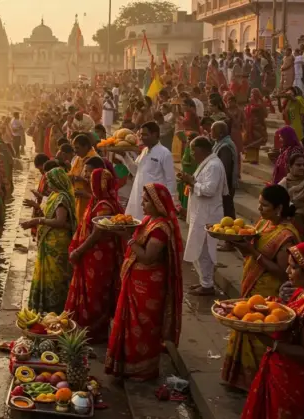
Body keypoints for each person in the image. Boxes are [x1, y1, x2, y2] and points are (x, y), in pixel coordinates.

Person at [240, 242, 304, 419]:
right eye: (288, 265)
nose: (287, 271)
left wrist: (272, 343)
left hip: (294, 381)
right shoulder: (301, 293)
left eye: (294, 268)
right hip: (279, 370)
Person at [222, 184, 300, 390]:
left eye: (264, 206)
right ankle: (239, 379)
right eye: (259, 204)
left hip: (268, 293)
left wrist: (252, 253)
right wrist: (242, 246)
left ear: (279, 208)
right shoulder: (264, 223)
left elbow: (283, 272)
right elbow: (252, 252)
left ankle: (257, 382)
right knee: (244, 325)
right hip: (252, 285)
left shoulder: (286, 235)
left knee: (257, 333)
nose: (259, 209)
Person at [106, 183, 183, 380]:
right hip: (136, 281)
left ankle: (142, 369)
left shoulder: (161, 228)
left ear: (158, 204)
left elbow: (148, 257)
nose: (142, 204)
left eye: (146, 201)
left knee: (144, 327)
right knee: (130, 325)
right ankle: (126, 365)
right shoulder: (149, 220)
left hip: (149, 287)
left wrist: (128, 239)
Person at [65, 168, 121, 342]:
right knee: (91, 292)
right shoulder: (98, 200)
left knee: (95, 293)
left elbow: (98, 233)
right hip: (95, 255)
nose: (88, 182)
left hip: (99, 257)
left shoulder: (104, 206)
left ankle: (94, 332)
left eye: (91, 180)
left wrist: (78, 250)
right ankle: (89, 330)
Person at [21, 168, 76, 313]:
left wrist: (38, 220)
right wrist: (37, 208)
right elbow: (48, 214)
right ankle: (44, 305)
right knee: (48, 275)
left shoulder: (62, 198)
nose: (48, 184)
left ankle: (55, 308)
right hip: (49, 240)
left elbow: (59, 221)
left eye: (50, 181)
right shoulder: (54, 195)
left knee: (55, 276)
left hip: (57, 244)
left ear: (57, 181)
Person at [179, 137, 227, 296]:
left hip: (208, 215)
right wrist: (189, 180)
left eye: (193, 150)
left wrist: (192, 182)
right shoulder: (207, 163)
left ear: (202, 149)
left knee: (204, 251)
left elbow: (209, 190)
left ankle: (207, 285)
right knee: (198, 249)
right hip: (201, 213)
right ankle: (203, 281)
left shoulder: (213, 165)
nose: (192, 153)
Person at [123, 121, 180, 221]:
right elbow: (135, 171)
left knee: (152, 225)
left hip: (154, 201)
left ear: (154, 134)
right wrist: (124, 156)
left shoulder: (164, 153)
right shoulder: (144, 151)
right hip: (138, 196)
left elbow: (171, 180)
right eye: (141, 135)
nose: (141, 137)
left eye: (145, 134)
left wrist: (171, 202)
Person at [210, 121, 239, 220]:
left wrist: (218, 184)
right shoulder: (219, 143)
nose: (210, 133)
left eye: (212, 130)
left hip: (226, 185)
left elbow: (224, 169)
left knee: (227, 210)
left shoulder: (225, 147)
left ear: (221, 133)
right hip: (222, 184)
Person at [68, 134, 100, 222]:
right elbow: (72, 173)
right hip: (79, 197)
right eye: (74, 148)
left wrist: (82, 179)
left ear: (85, 147)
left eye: (77, 148)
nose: (75, 151)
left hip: (90, 198)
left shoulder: (94, 159)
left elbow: (98, 181)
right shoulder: (78, 158)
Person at [244, 89, 269, 164]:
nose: (252, 95)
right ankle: (249, 157)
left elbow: (264, 114)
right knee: (249, 140)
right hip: (250, 124)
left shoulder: (260, 103)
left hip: (257, 125)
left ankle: (254, 159)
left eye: (253, 93)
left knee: (255, 142)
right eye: (251, 93)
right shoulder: (251, 102)